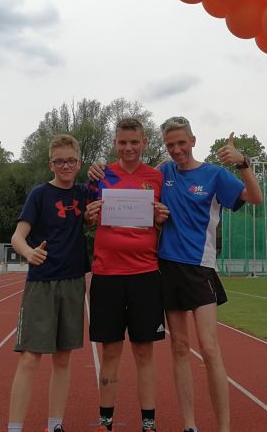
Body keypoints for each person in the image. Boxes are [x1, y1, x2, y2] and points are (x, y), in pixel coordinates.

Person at [157, 117, 263, 432]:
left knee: (209, 348)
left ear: (192, 140)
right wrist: (97, 171)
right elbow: (131, 183)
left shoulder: (215, 175)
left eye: (181, 143)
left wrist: (242, 162)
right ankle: (189, 425)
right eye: (170, 144)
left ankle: (224, 427)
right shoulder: (163, 173)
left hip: (200, 267)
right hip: (167, 265)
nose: (176, 150)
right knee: (178, 347)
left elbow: (255, 198)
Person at [84, 118, 169, 432]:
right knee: (110, 350)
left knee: (145, 351)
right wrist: (89, 216)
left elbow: (161, 221)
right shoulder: (99, 174)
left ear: (144, 143)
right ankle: (105, 421)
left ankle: (148, 423)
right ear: (115, 143)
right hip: (107, 273)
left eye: (134, 142)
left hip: (145, 273)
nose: (129, 148)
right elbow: (88, 218)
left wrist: (161, 218)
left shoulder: (156, 177)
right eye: (122, 142)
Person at [8, 134, 90, 432]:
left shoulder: (84, 193)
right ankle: (14, 427)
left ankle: (55, 424)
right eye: (59, 161)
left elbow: (119, 185)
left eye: (70, 160)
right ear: (50, 164)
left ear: (79, 163)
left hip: (73, 282)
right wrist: (28, 252)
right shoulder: (39, 194)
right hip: (42, 282)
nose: (65, 166)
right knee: (30, 357)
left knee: (63, 358)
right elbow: (18, 236)